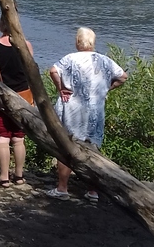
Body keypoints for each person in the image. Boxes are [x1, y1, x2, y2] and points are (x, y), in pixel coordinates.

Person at [46, 27, 128, 202]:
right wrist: (106, 89)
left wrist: (61, 88)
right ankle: (93, 191)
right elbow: (123, 77)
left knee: (65, 147)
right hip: (94, 111)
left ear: (77, 41)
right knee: (93, 149)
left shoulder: (70, 58)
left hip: (71, 109)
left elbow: (53, 71)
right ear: (93, 42)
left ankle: (62, 188)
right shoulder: (104, 60)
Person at [0, 14, 33, 187]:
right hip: (22, 97)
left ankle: (4, 177)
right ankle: (19, 175)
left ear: (0, 25)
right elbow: (30, 72)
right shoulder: (26, 45)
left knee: (2, 137)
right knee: (18, 138)